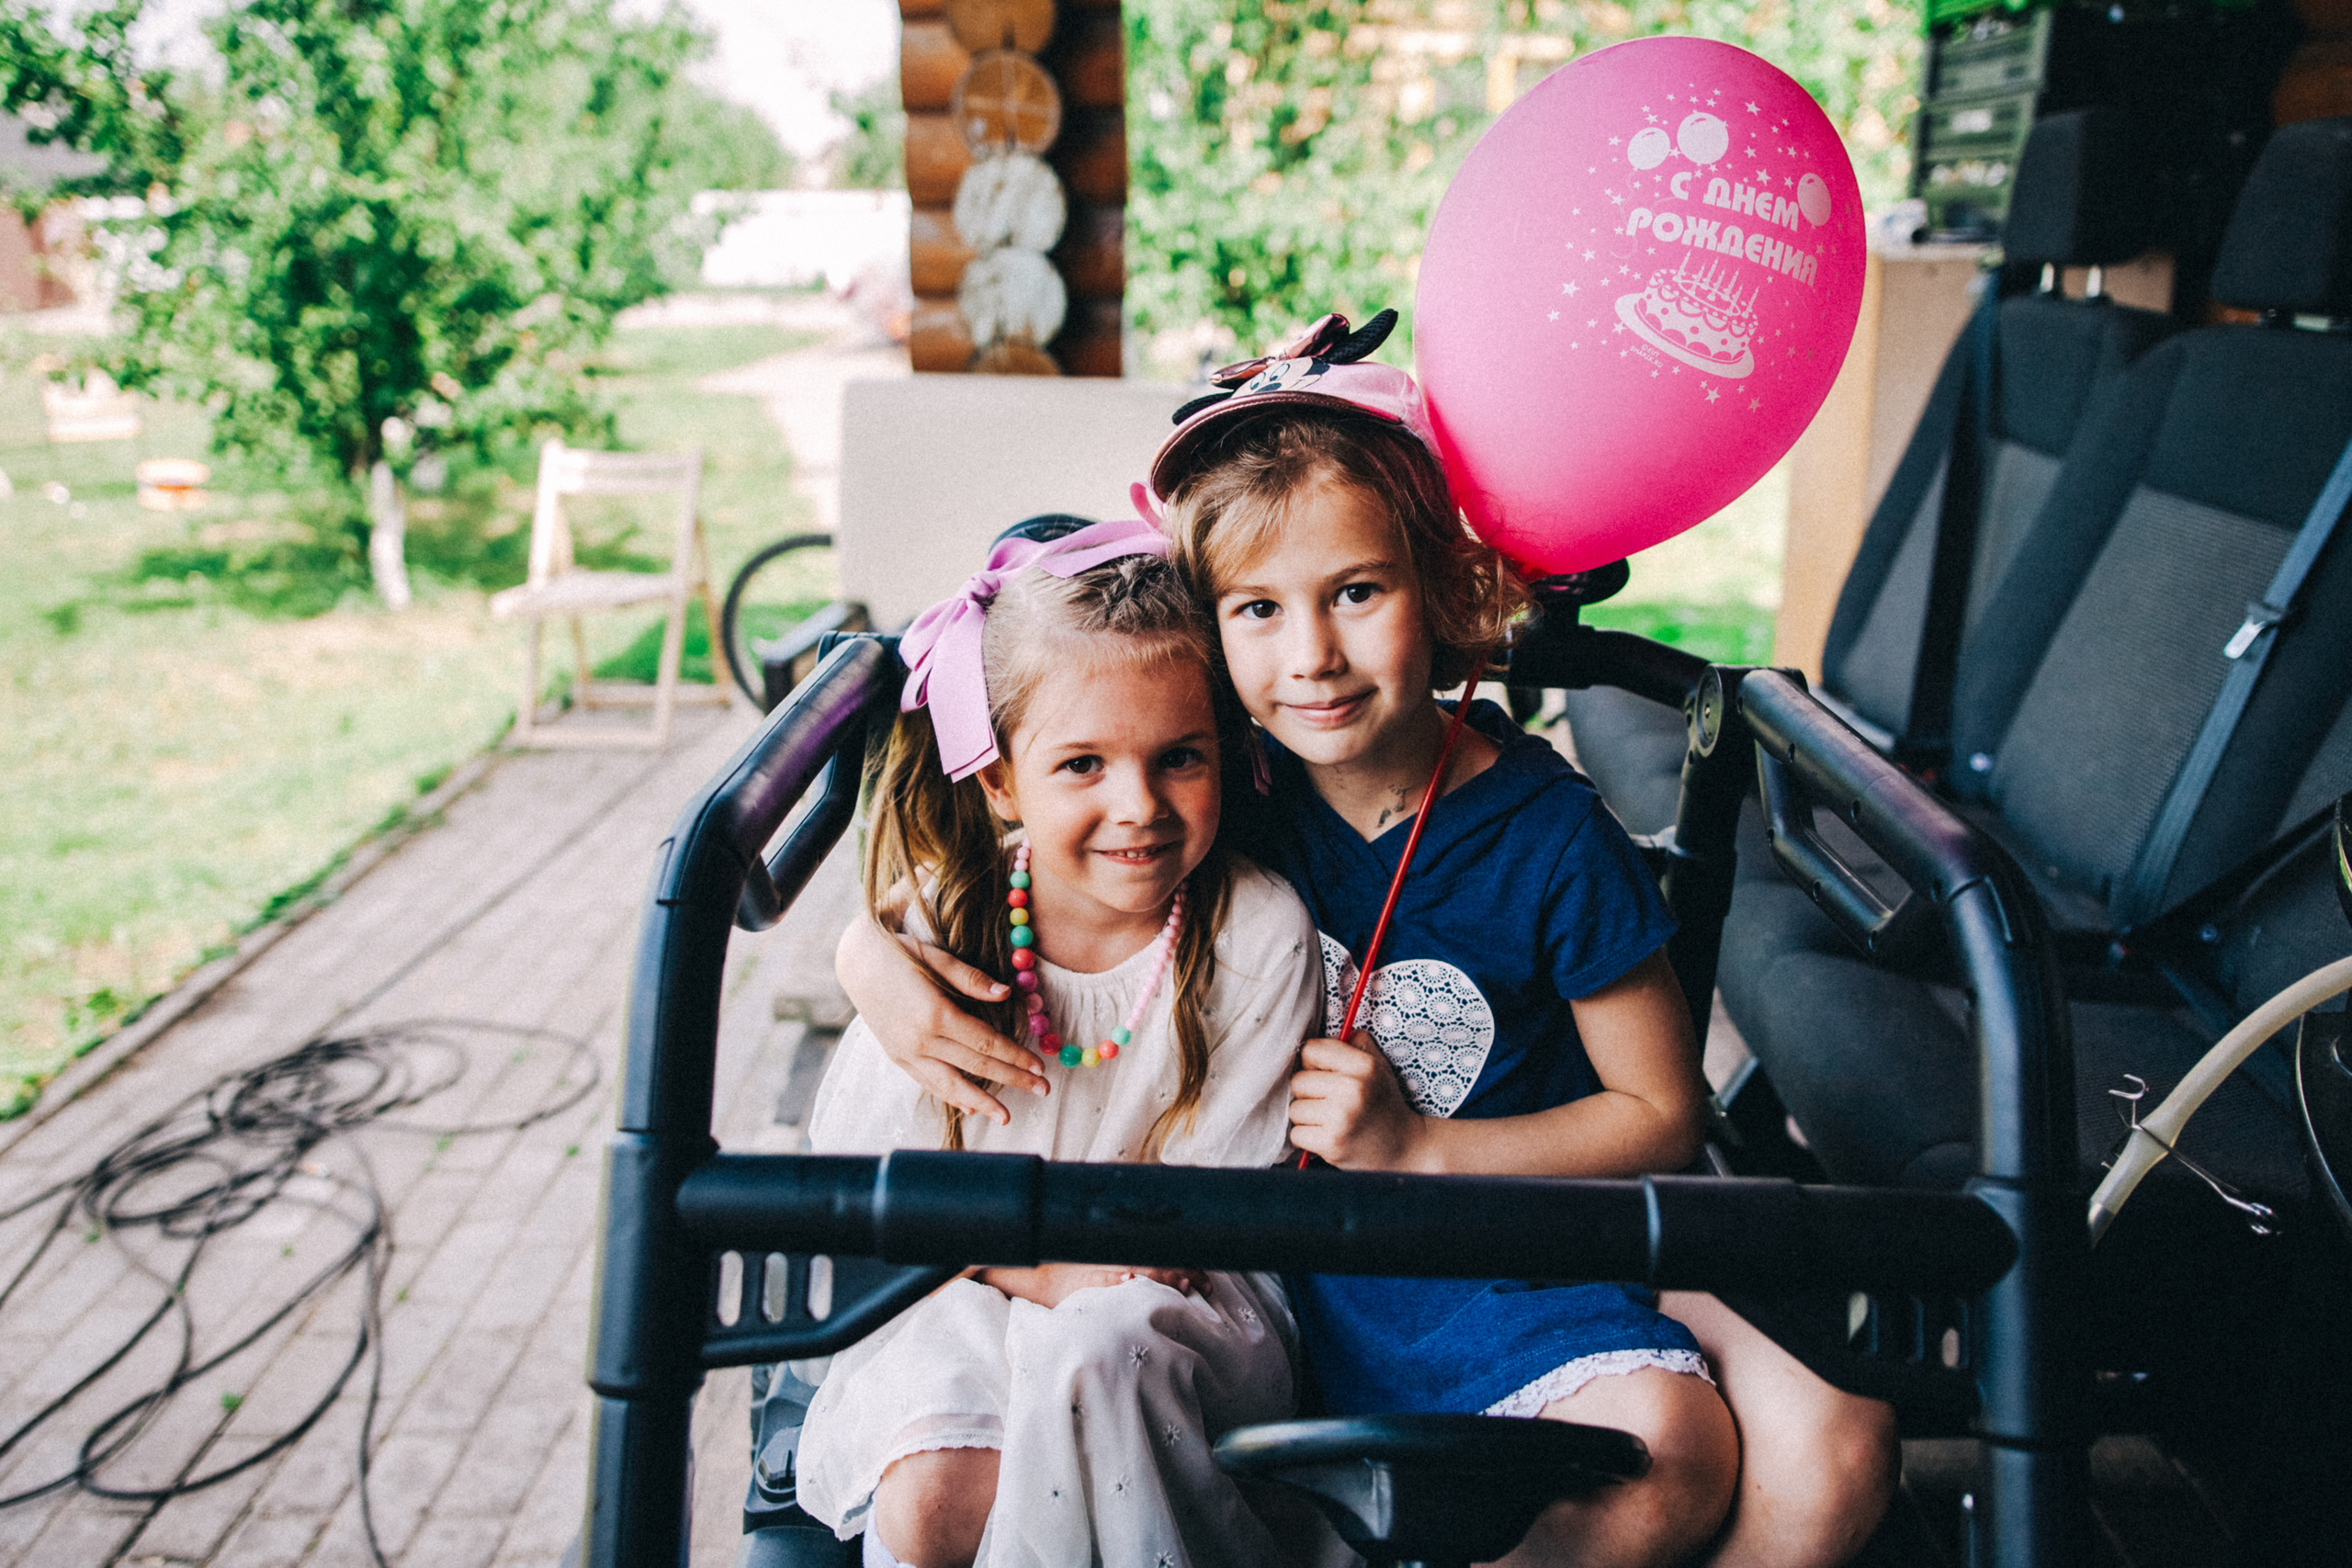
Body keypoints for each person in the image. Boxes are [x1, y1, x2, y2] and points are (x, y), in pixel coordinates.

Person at [838, 315, 1899, 1568]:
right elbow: (1026, 809)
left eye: (1357, 592)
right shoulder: (1225, 781)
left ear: (1439, 587)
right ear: (1212, 629)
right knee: (1678, 1435)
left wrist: (1420, 1144)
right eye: (1258, 610)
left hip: (1521, 1223)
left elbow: (1661, 1109)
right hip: (1312, 1266)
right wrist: (872, 955)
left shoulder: (1550, 835)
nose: (1313, 658)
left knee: (1820, 1448)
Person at [794, 518, 1333, 1568]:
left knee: (1101, 1351)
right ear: (998, 781)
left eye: (1179, 758)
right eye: (1080, 764)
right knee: (941, 1491)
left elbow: (1197, 1232)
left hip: (1179, 1307)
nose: (1137, 807)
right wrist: (1036, 1272)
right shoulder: (948, 933)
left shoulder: (1255, 935)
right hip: (965, 1281)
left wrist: (1085, 1283)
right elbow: (869, 1185)